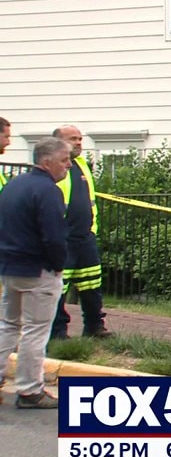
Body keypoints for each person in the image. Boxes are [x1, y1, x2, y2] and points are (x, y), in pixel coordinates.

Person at [0, 137, 71, 408]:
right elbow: (53, 236)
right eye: (64, 160)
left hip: (9, 268)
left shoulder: (13, 186)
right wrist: (58, 264)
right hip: (37, 270)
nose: (67, 166)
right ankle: (30, 391)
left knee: (7, 325)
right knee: (35, 330)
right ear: (46, 162)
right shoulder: (48, 190)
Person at [49, 125, 111, 340]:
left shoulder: (82, 165)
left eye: (80, 139)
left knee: (92, 286)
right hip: (63, 239)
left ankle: (95, 327)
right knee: (58, 290)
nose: (78, 142)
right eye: (72, 139)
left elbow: (89, 200)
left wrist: (92, 230)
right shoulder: (53, 168)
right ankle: (58, 333)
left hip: (85, 238)